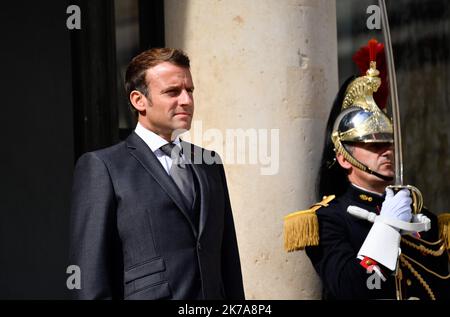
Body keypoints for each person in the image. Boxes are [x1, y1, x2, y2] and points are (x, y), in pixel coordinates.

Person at [69, 48, 245, 300]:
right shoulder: (102, 167)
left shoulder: (210, 164)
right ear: (139, 100)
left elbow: (228, 261)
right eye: (172, 92)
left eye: (190, 91)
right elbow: (89, 276)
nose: (186, 100)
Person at [284, 39, 450, 300]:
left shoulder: (423, 216)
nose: (386, 151)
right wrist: (387, 226)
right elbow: (350, 288)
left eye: (389, 143)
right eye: (373, 145)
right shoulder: (328, 221)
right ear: (344, 158)